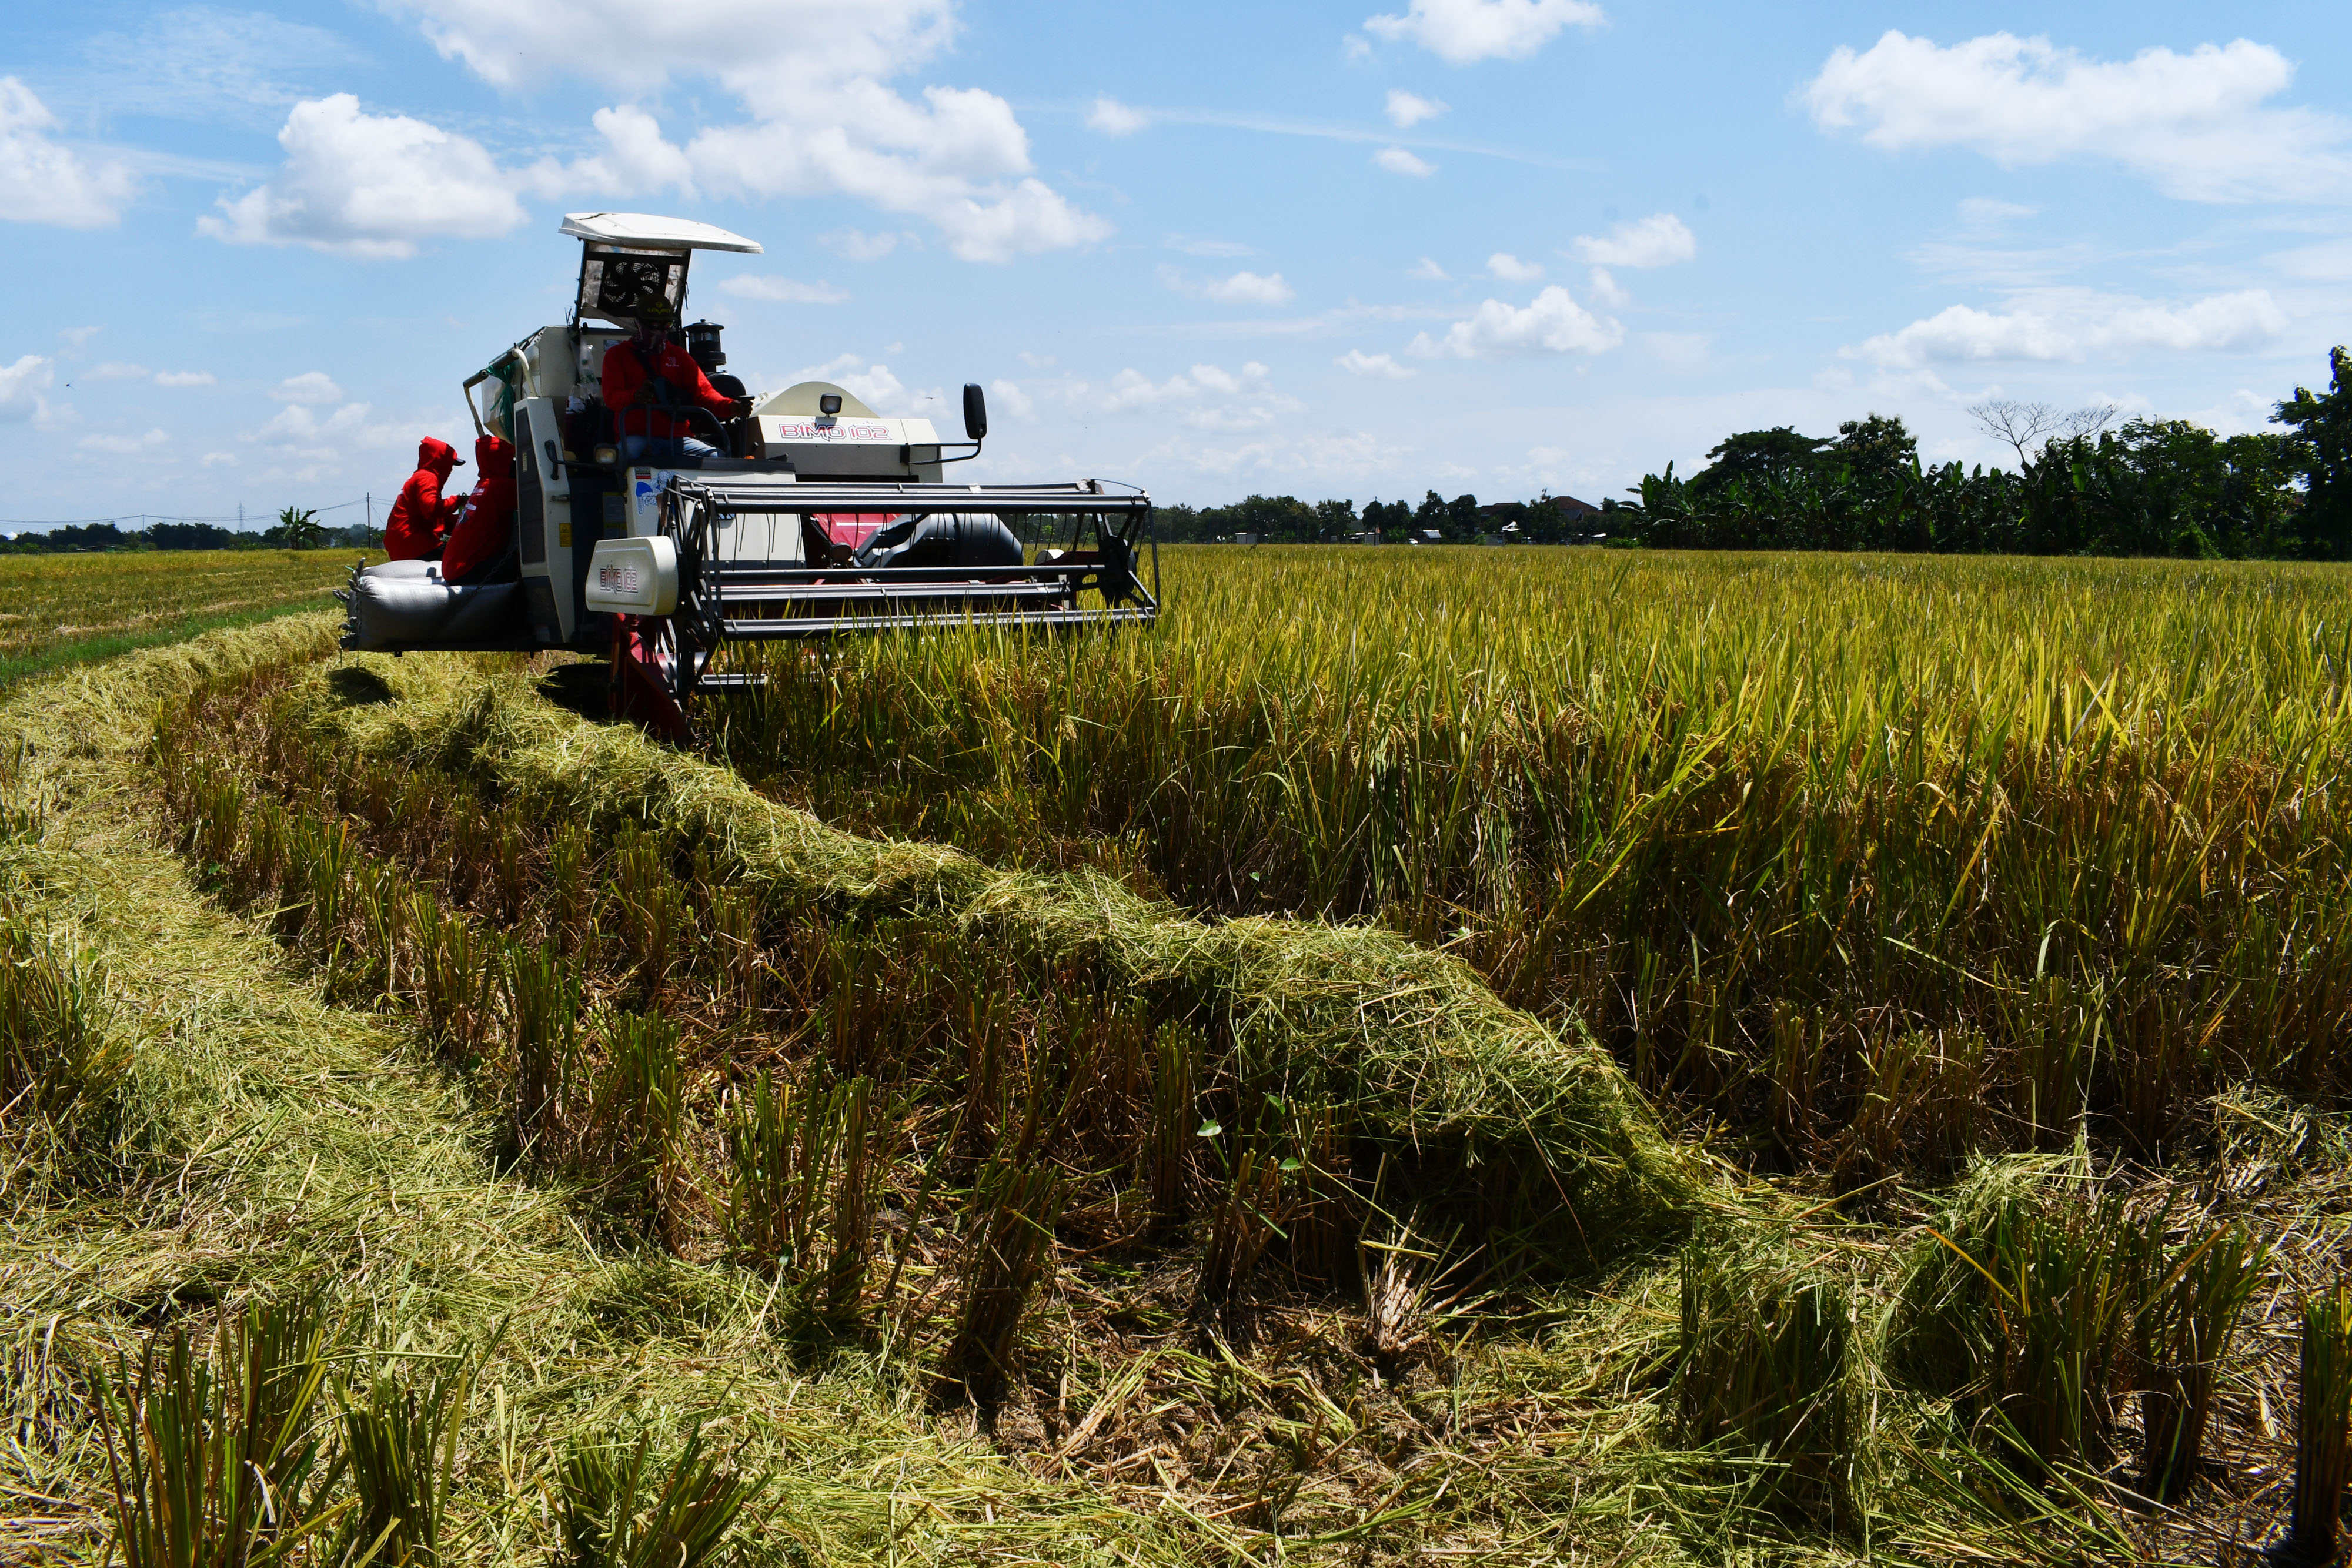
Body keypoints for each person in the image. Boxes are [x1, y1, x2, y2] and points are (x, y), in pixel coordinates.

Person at [600, 297, 748, 465]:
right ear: (638, 324)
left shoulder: (679, 356)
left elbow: (703, 394)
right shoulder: (617, 356)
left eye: (667, 325)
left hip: (677, 438)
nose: (660, 332)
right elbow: (611, 397)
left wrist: (731, 406)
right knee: (620, 459)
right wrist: (635, 396)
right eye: (654, 325)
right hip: (636, 437)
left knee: (718, 459)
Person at [440, 432, 516, 583]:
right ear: (502, 462)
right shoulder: (500, 487)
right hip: (466, 570)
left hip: (454, 569)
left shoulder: (483, 485)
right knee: (523, 563)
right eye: (511, 460)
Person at [384, 436, 466, 560]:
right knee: (466, 556)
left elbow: (439, 520)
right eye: (450, 464)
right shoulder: (427, 477)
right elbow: (432, 509)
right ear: (441, 462)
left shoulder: (419, 477)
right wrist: (459, 501)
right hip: (416, 544)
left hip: (402, 545)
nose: (451, 470)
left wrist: (468, 522)